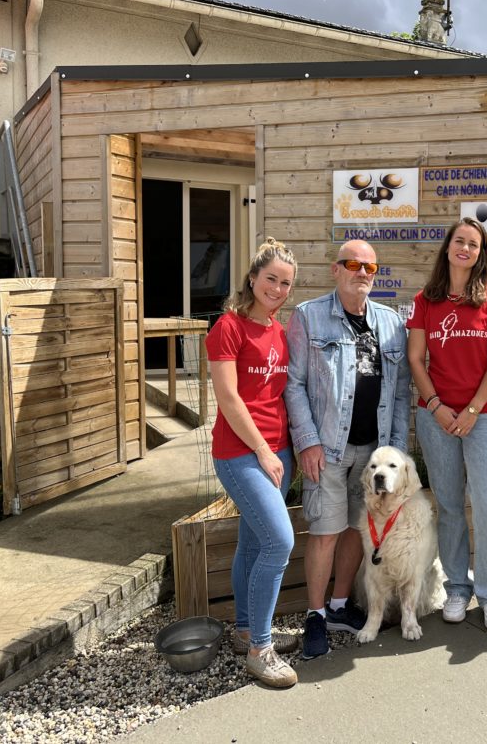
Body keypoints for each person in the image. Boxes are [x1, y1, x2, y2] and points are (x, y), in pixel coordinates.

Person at [285, 239, 412, 658]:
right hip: (328, 449)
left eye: (370, 268)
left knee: (359, 530)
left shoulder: (391, 323)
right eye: (353, 264)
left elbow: (398, 395)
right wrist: (307, 442)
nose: (362, 273)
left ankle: (340, 606)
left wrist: (394, 453)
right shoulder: (308, 316)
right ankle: (317, 615)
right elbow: (294, 385)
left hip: (373, 454)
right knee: (324, 533)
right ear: (335, 270)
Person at [406, 218, 487, 631]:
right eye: (459, 241)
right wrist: (436, 406)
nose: (465, 249)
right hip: (437, 417)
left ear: (480, 254)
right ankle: (456, 587)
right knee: (449, 507)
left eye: (473, 244)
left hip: (482, 415)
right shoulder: (424, 300)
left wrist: (471, 410)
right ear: (448, 248)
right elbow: (416, 359)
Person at [205, 238, 300, 689]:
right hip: (241, 453)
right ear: (252, 278)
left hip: (279, 452)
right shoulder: (228, 326)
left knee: (253, 542)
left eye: (285, 283)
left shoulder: (280, 331)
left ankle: (245, 630)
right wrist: (262, 449)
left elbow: (280, 394)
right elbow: (228, 397)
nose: (278, 289)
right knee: (279, 543)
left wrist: (285, 450)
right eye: (271, 279)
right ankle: (261, 650)